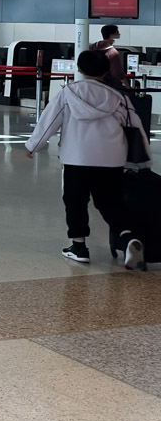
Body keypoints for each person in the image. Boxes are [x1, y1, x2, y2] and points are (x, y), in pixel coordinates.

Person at [26, 49, 145, 268]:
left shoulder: (69, 93)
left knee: (75, 201)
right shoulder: (118, 97)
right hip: (112, 159)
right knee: (111, 203)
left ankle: (79, 247)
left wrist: (33, 145)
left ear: (79, 69)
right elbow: (136, 128)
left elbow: (49, 121)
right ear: (107, 69)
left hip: (77, 158)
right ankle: (128, 239)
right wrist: (144, 161)